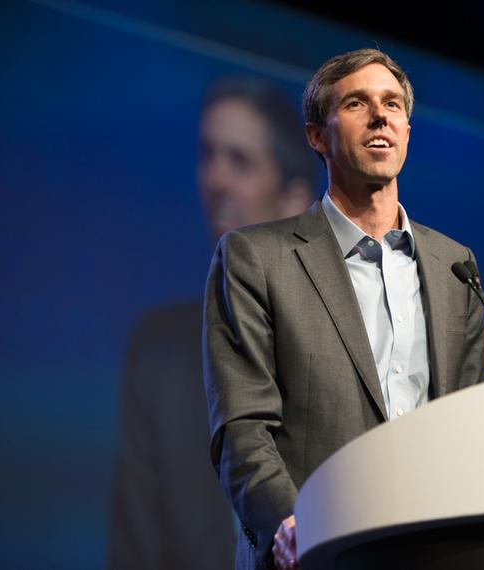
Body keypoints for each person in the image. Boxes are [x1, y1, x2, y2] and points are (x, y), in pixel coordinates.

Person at [203, 48, 484, 570]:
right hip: (317, 549)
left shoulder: (454, 265)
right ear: (316, 136)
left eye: (393, 104)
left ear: (406, 129)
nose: (381, 115)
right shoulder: (256, 257)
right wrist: (291, 524)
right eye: (358, 103)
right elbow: (242, 427)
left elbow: (466, 426)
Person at [109, 77, 315, 570]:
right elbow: (133, 545)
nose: (215, 178)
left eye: (239, 160)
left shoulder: (337, 344)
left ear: (292, 200)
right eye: (208, 155)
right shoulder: (158, 349)